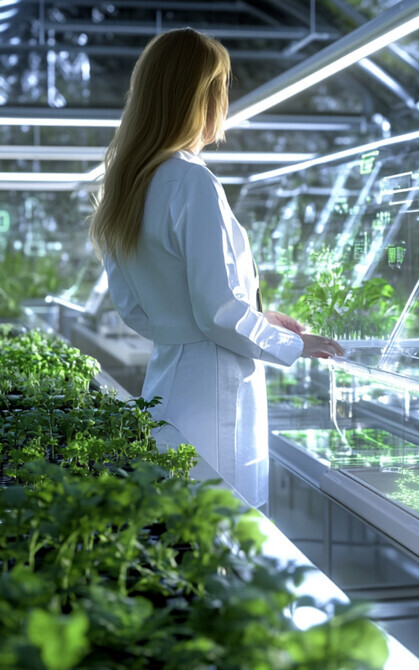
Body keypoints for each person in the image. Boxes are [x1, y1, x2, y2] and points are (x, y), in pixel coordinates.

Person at [89, 27, 343, 508]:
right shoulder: (192, 182)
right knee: (226, 533)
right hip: (215, 396)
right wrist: (294, 342)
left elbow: (139, 310)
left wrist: (258, 319)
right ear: (200, 97)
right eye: (221, 88)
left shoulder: (128, 186)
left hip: (168, 384)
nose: (225, 100)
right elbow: (220, 312)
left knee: (181, 528)